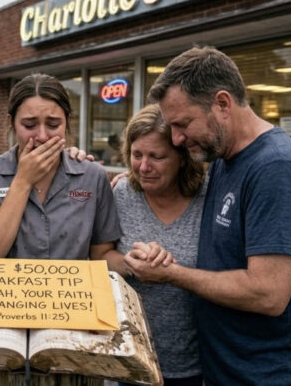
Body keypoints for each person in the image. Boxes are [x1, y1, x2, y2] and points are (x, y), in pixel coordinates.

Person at [124, 46, 291, 385]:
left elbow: (268, 293)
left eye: (183, 124)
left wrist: (171, 274)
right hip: (229, 369)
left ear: (222, 103)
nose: (176, 139)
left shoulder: (278, 168)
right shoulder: (223, 160)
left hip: (275, 376)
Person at [0, 73, 127, 275]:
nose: (42, 136)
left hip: (71, 300)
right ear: (12, 124)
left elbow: (101, 255)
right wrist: (23, 181)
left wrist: (132, 264)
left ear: (67, 123)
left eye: (53, 125)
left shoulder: (92, 176)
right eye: (29, 125)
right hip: (4, 300)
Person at [113, 104, 205, 386]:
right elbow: (100, 256)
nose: (143, 166)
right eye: (137, 154)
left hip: (196, 362)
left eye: (157, 156)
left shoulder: (209, 195)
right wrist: (130, 262)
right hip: (132, 360)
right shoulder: (123, 192)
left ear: (182, 157)